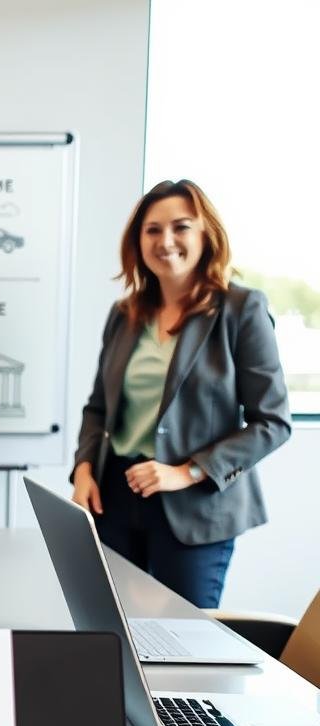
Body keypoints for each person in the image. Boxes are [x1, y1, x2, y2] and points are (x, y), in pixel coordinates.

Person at [71, 179, 291, 608]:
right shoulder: (125, 314)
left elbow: (273, 422)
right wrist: (83, 470)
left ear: (206, 235)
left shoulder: (241, 309)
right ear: (138, 241)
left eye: (181, 227)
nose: (165, 241)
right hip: (115, 497)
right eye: (152, 230)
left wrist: (187, 472)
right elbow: (98, 407)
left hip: (194, 504)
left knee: (185, 638)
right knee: (110, 627)